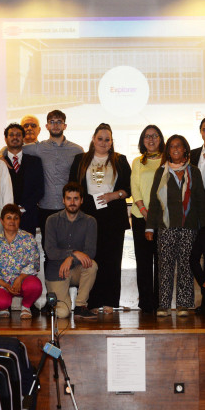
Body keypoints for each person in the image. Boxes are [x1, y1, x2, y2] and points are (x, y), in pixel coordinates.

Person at [69, 123, 131, 313]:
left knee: (112, 260)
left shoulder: (120, 160)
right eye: (100, 138)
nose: (103, 142)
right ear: (93, 139)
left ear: (112, 142)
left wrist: (115, 195)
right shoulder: (80, 159)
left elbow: (129, 188)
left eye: (107, 139)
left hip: (113, 215)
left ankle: (110, 302)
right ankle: (93, 302)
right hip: (88, 215)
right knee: (91, 260)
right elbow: (73, 186)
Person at [145, 134, 205, 317]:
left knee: (186, 266)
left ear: (185, 149)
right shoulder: (161, 171)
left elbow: (200, 201)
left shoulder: (194, 171)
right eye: (172, 146)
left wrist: (204, 229)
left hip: (189, 227)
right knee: (165, 266)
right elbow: (154, 202)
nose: (175, 149)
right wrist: (150, 227)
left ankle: (183, 304)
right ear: (168, 151)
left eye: (179, 146)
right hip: (166, 227)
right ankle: (163, 305)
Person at [22, 110, 83, 251]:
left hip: (69, 207)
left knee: (70, 247)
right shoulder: (38, 148)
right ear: (47, 126)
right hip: (46, 207)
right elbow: (12, 149)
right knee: (48, 249)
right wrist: (1, 155)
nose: (56, 125)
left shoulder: (77, 150)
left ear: (65, 126)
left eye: (59, 122)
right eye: (52, 122)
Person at [44, 182, 98, 319]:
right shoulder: (52, 220)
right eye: (69, 198)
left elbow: (90, 252)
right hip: (57, 271)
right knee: (62, 313)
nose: (72, 202)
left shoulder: (90, 221)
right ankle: (51, 303)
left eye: (76, 199)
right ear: (63, 200)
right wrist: (73, 253)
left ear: (81, 200)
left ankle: (80, 306)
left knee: (92, 266)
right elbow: (50, 251)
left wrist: (70, 258)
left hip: (76, 269)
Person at [0, 204, 42, 318]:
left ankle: (26, 307)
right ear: (2, 220)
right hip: (2, 283)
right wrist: (5, 285)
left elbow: (34, 264)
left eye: (16, 218)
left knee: (35, 286)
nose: (12, 221)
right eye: (8, 217)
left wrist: (19, 278)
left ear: (20, 220)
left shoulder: (28, 238)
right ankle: (4, 306)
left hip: (23, 281)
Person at [130, 125, 165, 314]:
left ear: (160, 139)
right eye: (147, 136)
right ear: (142, 140)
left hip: (162, 219)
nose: (151, 140)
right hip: (139, 217)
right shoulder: (137, 162)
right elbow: (134, 187)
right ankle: (145, 302)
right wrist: (144, 211)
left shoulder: (168, 160)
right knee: (143, 262)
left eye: (155, 136)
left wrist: (156, 214)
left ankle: (160, 302)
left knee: (161, 261)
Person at [0, 122, 44, 235]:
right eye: (11, 135)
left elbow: (40, 189)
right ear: (5, 139)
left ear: (23, 138)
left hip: (29, 215)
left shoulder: (35, 161)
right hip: (5, 217)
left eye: (18, 135)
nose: (15, 137)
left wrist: (23, 207)